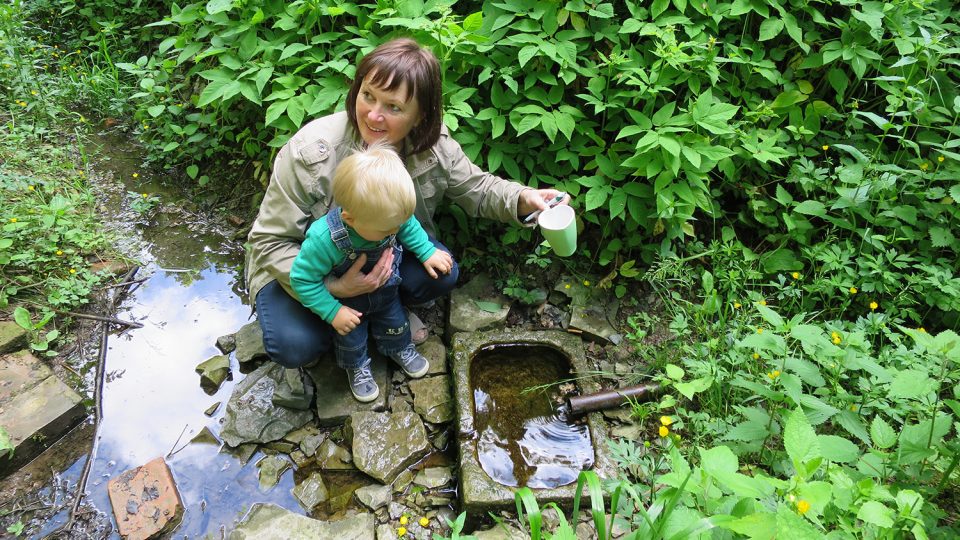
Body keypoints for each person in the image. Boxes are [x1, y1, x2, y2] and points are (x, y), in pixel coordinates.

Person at [246, 37, 569, 370]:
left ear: (420, 115)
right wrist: (334, 289)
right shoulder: (311, 151)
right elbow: (269, 242)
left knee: (442, 272)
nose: (373, 115)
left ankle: (378, 311)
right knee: (295, 346)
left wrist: (524, 198)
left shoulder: (433, 146)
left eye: (393, 107)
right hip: (304, 267)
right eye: (367, 95)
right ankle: (359, 318)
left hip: (381, 246)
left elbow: (479, 189)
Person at [289, 142, 453, 402]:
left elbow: (408, 225)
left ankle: (398, 348)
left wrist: (426, 251)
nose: (394, 232)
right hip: (348, 306)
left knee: (396, 324)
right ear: (350, 219)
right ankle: (357, 367)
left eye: (395, 226)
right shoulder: (324, 240)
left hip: (386, 292)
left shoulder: (387, 217)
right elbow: (302, 280)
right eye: (387, 229)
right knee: (350, 337)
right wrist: (333, 312)